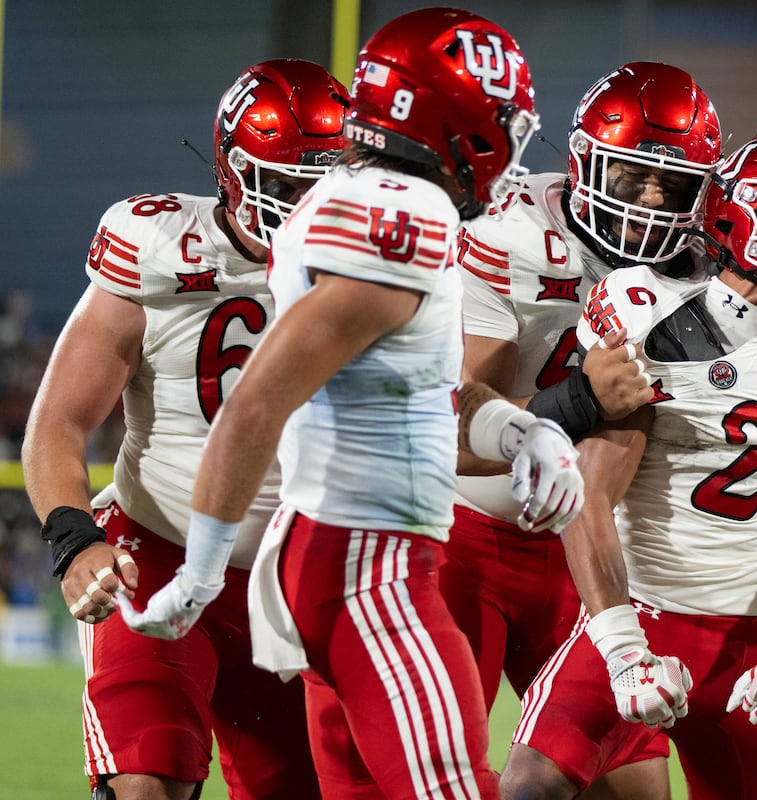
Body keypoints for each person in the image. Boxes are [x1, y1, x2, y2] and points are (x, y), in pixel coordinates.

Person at [115, 9, 584, 800]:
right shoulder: (408, 216)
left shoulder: (347, 196)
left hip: (328, 550)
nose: (511, 141)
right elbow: (257, 400)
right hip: (372, 565)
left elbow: (405, 385)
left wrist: (513, 430)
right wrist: (198, 572)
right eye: (501, 119)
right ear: (456, 120)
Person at [498, 120, 757, 800]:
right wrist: (625, 653)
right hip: (645, 614)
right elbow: (589, 494)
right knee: (530, 787)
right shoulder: (647, 307)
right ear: (739, 209)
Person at [22, 58, 347, 800]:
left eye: (324, 184)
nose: (308, 205)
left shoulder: (372, 268)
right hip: (158, 554)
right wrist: (76, 539)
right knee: (147, 778)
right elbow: (59, 423)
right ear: (234, 170)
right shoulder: (157, 245)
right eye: (288, 181)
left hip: (298, 584)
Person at [449, 60, 722, 799]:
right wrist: (578, 402)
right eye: (632, 177)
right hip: (469, 536)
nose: (650, 205)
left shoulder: (704, 272)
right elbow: (451, 432)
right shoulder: (512, 231)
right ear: (582, 163)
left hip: (596, 544)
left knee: (633, 786)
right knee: (441, 771)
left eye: (673, 186)